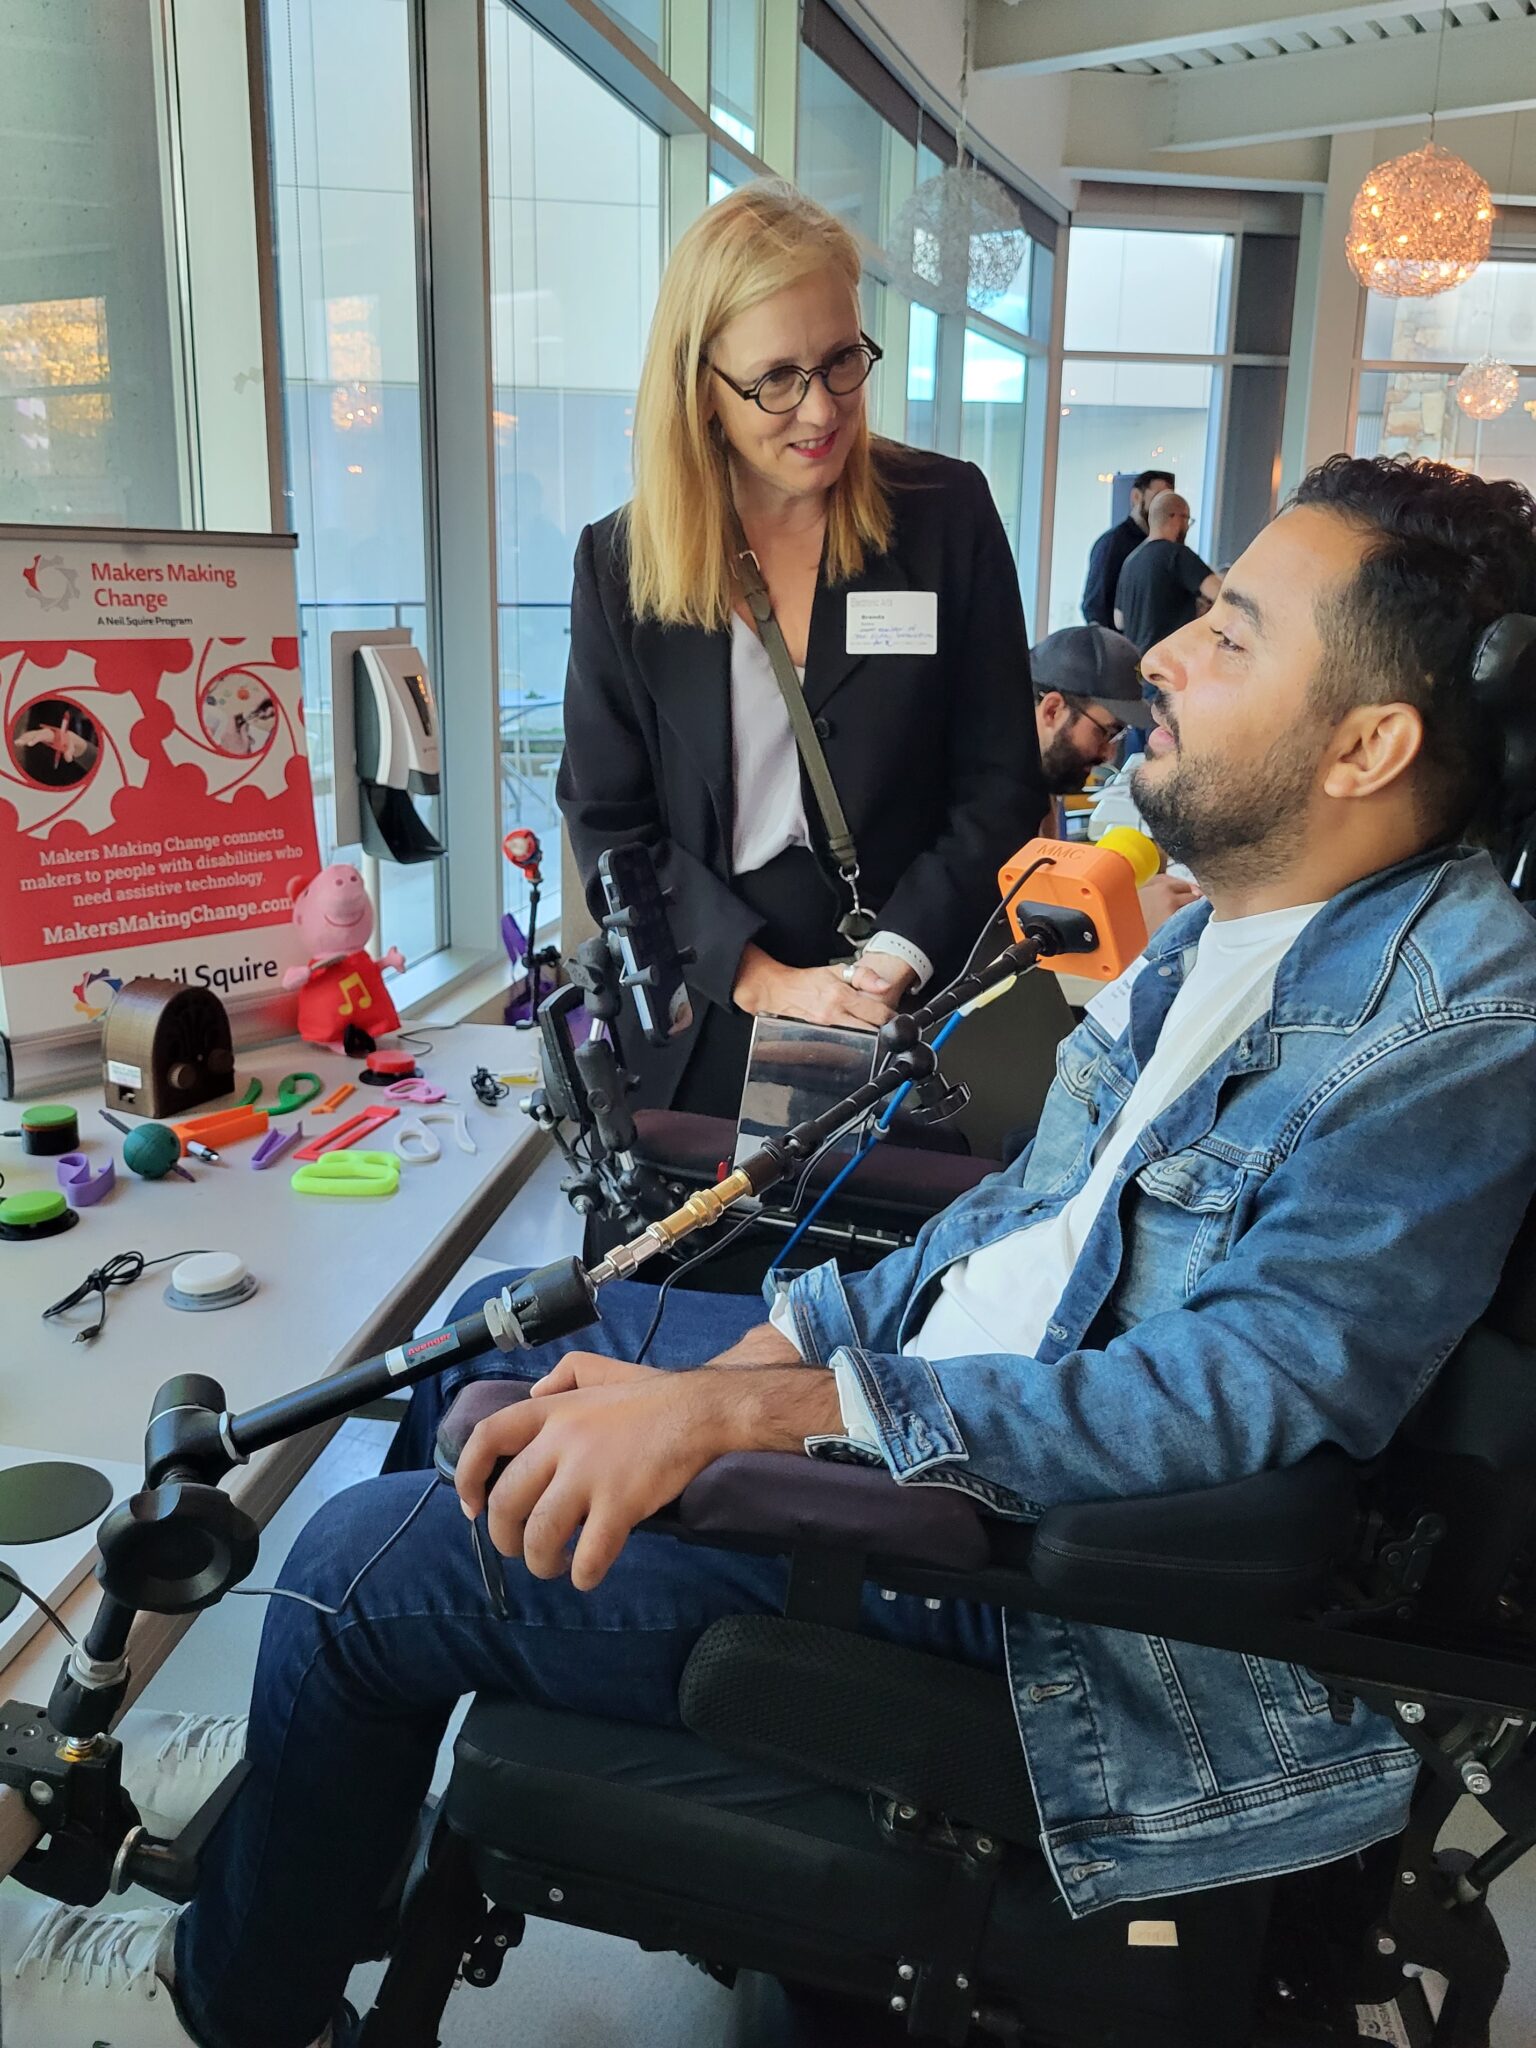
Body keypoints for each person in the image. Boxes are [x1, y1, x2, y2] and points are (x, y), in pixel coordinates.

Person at [12, 454, 1536, 2048]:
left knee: (347, 1571)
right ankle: (317, 1812)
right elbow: (1017, 1236)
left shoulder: (1454, 1020)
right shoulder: (1248, 922)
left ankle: (229, 2000)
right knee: (488, 1336)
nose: (1155, 653)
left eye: (1231, 633)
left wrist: (747, 1414)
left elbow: (1238, 1402)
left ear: (1370, 742)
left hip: (1027, 1585)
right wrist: (772, 1345)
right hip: (931, 1419)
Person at [557, 180, 1043, 1118]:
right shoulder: (620, 564)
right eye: (776, 379)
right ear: (703, 391)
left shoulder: (945, 515)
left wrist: (893, 958)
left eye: (841, 362)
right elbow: (610, 821)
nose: (821, 411)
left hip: (913, 985)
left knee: (893, 1250)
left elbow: (1000, 782)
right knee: (701, 1256)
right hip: (706, 1000)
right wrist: (757, 978)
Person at [1114, 490, 1223, 653]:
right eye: (1187, 520)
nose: (1187, 527)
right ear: (1176, 517)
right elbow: (1220, 594)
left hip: (1136, 666)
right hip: (1168, 663)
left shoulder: (1130, 561)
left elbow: (1119, 621)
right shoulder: (1178, 555)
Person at [1080, 465, 1174, 628]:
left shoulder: (1164, 546)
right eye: (1158, 498)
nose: (1163, 508)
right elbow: (1095, 606)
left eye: (1168, 501)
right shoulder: (1113, 543)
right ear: (1137, 497)